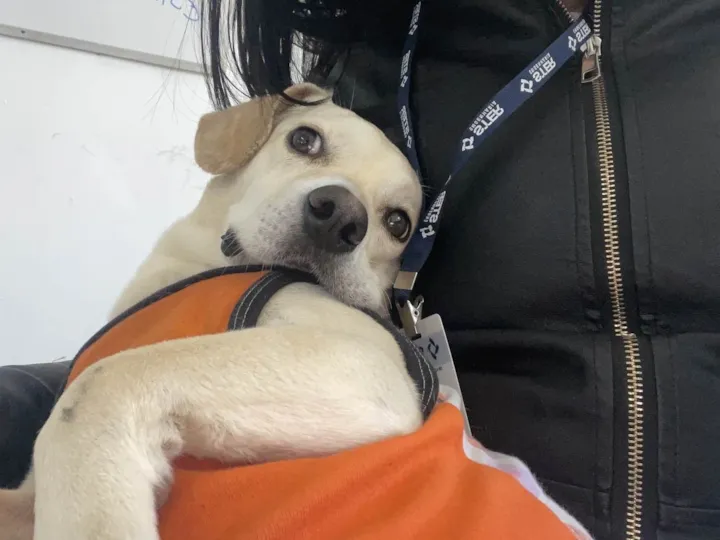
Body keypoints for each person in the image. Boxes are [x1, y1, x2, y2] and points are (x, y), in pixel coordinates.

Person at [1, 0, 718, 538]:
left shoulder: (306, 321)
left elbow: (373, 391)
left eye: (393, 222)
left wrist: (110, 405)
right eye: (307, 144)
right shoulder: (368, 51)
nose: (343, 212)